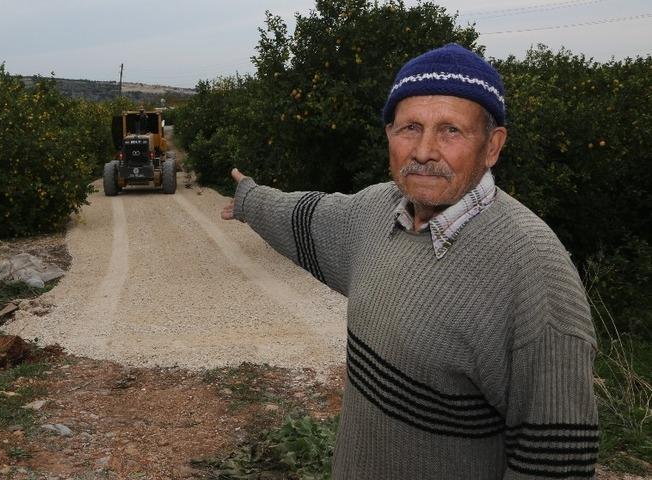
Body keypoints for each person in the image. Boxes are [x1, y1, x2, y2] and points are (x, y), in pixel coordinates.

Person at [221, 43, 598, 479]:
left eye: (451, 131)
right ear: (388, 135)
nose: (424, 151)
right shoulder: (376, 212)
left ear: (492, 146)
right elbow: (305, 215)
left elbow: (556, 463)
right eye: (410, 128)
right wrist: (249, 198)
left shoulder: (535, 272)